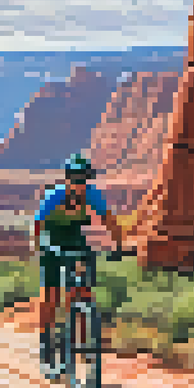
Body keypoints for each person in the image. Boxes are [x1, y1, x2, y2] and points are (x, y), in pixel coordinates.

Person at [33, 153, 125, 371]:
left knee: (83, 291)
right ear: (67, 179)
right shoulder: (54, 196)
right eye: (75, 179)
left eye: (84, 179)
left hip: (74, 238)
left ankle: (82, 343)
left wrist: (118, 246)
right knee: (51, 295)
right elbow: (38, 225)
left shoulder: (92, 195)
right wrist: (39, 248)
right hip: (51, 240)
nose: (80, 184)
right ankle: (47, 346)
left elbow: (109, 220)